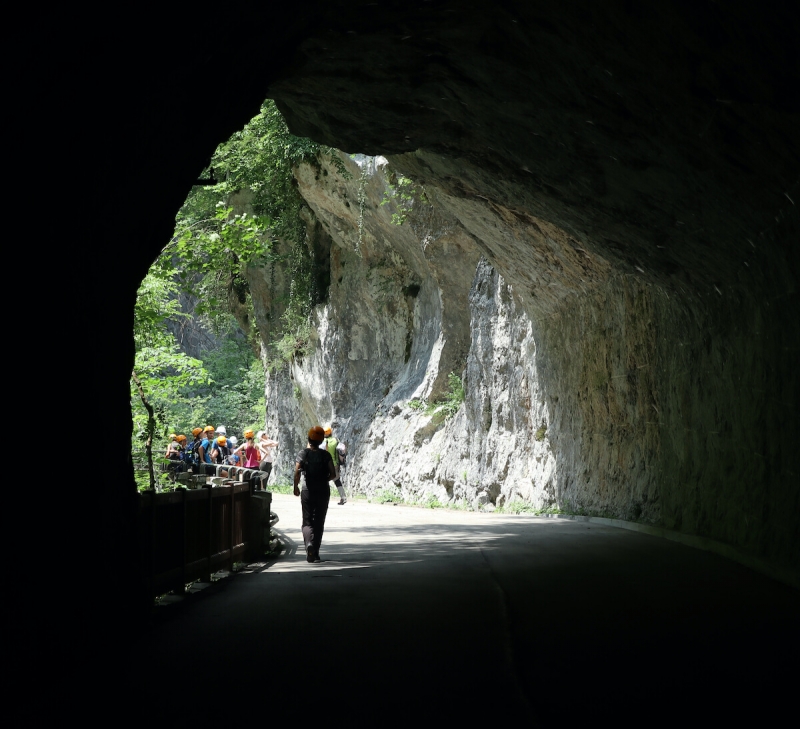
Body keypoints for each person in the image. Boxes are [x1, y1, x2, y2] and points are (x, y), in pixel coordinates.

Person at [294, 425, 336, 563]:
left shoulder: (303, 453)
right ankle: (315, 552)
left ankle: (309, 545)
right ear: (322, 439)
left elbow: (297, 471)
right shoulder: (326, 455)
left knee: (307, 521)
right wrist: (324, 479)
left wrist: (296, 486)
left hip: (307, 490)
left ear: (309, 438)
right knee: (319, 521)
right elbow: (333, 474)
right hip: (323, 490)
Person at [324, 425, 348, 505]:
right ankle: (343, 498)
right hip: (335, 465)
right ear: (331, 433)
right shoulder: (335, 440)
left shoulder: (323, 442)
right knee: (337, 481)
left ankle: (323, 499)